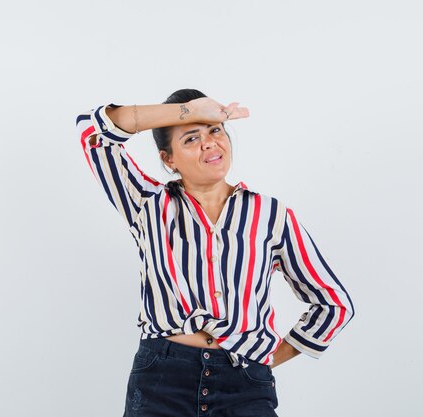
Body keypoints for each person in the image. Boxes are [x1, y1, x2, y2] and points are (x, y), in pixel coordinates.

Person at [76, 89, 354, 417]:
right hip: (161, 382)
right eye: (191, 138)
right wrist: (187, 110)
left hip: (245, 387)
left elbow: (333, 304)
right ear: (169, 159)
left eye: (215, 130)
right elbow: (93, 132)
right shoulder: (147, 204)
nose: (209, 143)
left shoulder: (270, 214)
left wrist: (265, 358)